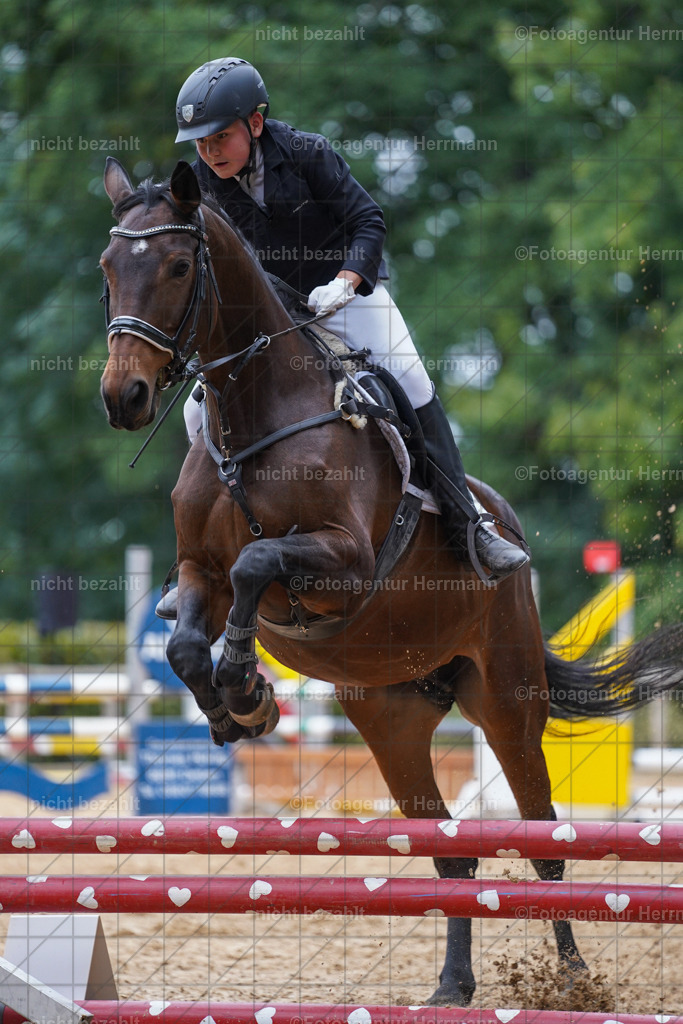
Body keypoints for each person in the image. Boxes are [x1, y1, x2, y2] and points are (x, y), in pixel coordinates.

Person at [160, 56, 528, 615]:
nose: (209, 152)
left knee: (410, 378)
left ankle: (469, 523)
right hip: (273, 319)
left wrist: (347, 279)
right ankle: (203, 553)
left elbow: (368, 220)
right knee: (194, 415)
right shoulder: (202, 184)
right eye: (201, 142)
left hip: (343, 297)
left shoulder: (307, 153)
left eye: (220, 137)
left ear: (256, 123)